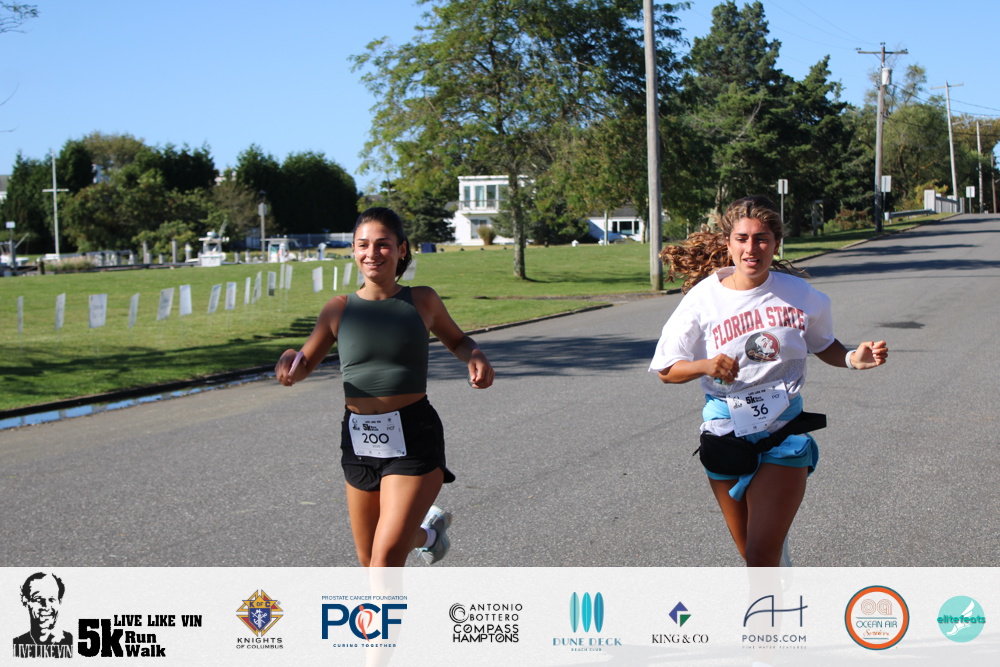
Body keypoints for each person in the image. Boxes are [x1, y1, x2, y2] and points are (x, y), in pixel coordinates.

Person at [649, 195, 888, 567]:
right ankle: (781, 581)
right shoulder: (702, 300)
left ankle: (771, 595)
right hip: (725, 430)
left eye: (762, 239)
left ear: (776, 244)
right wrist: (706, 366)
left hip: (783, 430)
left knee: (761, 555)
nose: (752, 248)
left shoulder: (801, 296)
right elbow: (667, 370)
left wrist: (852, 359)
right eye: (742, 238)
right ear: (728, 243)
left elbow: (824, 345)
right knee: (754, 555)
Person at [275, 207, 494, 567]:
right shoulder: (338, 309)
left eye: (382, 244)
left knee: (385, 560)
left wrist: (475, 355)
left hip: (413, 436)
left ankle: (417, 549)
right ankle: (429, 535)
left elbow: (458, 340)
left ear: (401, 249)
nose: (372, 253)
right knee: (370, 559)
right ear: (353, 250)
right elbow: (302, 364)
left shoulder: (422, 300)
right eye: (363, 245)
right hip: (359, 440)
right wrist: (287, 362)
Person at [13, 572, 73, 658]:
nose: (46, 606)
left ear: (59, 601)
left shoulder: (72, 642)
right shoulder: (16, 644)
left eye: (51, 599)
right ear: (25, 601)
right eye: (38, 599)